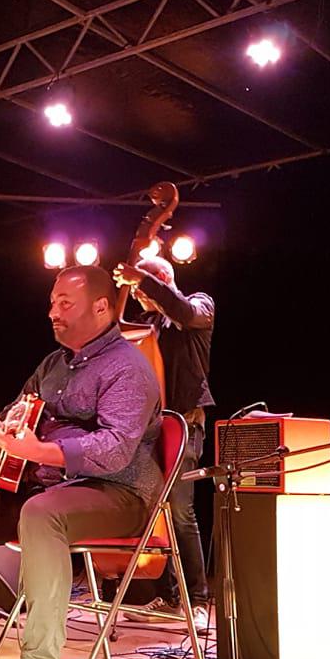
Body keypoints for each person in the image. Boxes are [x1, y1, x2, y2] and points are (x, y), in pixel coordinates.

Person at [0, 266, 162, 659]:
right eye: (52, 302)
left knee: (41, 514)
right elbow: (20, 404)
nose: (51, 312)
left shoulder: (128, 367)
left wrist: (40, 452)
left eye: (64, 304)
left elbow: (114, 448)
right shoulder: (54, 363)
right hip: (49, 490)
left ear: (100, 307)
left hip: (119, 493)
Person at [111, 254, 215, 624]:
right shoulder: (147, 325)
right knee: (156, 513)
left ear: (161, 280)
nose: (139, 299)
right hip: (151, 430)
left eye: (143, 291)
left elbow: (182, 311)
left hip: (185, 424)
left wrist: (140, 277)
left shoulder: (199, 306)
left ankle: (199, 600)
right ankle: (170, 596)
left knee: (182, 513)